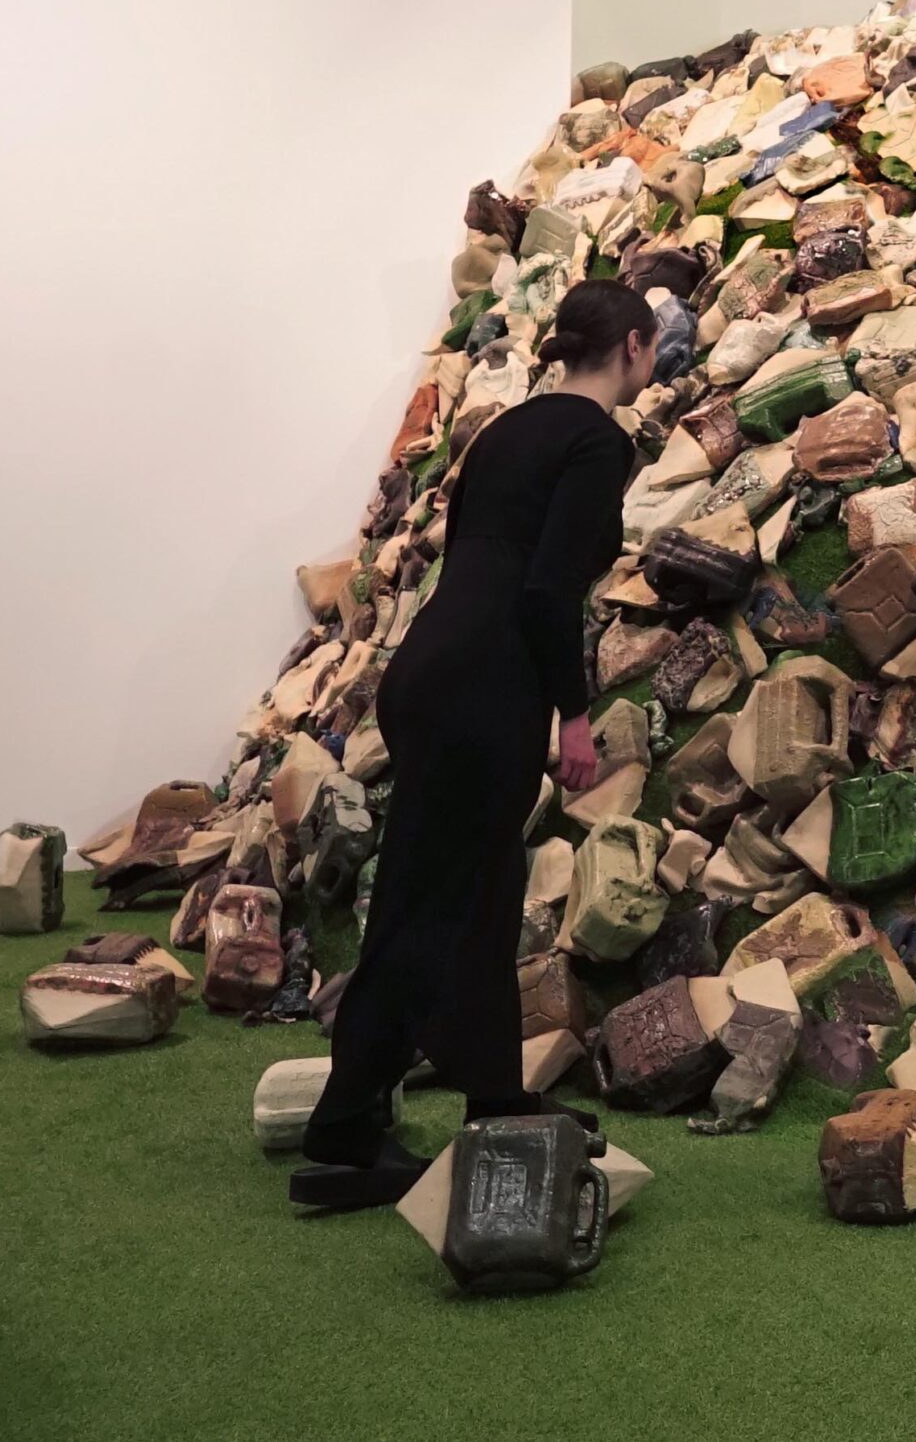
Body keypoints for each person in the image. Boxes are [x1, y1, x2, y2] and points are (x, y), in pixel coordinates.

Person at [293, 280, 653, 1210]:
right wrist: (574, 716)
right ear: (634, 347)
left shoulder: (505, 430)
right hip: (485, 687)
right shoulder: (596, 442)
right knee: (431, 903)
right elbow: (547, 591)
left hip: (432, 672)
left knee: (480, 893)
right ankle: (344, 1129)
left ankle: (495, 1096)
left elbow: (485, 566)